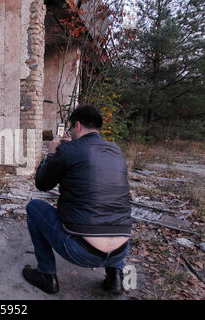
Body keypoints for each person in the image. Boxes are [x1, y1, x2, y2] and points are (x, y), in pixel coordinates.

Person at [22, 105, 132, 295]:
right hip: (122, 248)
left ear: (78, 126)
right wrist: (68, 150)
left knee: (34, 207)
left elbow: (42, 183)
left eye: (71, 129)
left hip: (81, 251)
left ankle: (46, 275)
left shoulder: (69, 150)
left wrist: (51, 154)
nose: (70, 133)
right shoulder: (116, 150)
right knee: (112, 208)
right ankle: (115, 275)